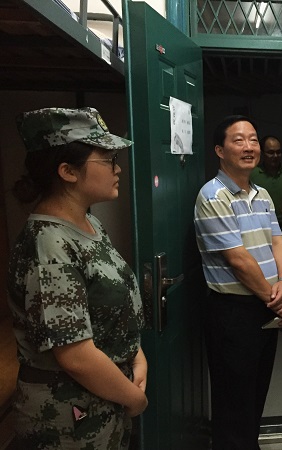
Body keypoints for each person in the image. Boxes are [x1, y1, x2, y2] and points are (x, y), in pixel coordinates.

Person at [8, 107, 148, 449]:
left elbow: (107, 304)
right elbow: (75, 355)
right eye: (109, 160)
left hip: (104, 400)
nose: (117, 169)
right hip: (68, 417)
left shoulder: (89, 223)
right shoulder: (49, 243)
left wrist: (136, 354)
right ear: (67, 171)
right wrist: (135, 399)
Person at [194, 115, 282, 450]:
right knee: (233, 402)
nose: (249, 146)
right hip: (234, 311)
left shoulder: (262, 194)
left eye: (253, 139)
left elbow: (278, 241)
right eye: (238, 140)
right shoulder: (214, 196)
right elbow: (238, 261)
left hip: (264, 305)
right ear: (219, 150)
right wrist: (280, 303)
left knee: (255, 394)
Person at [250, 135, 282, 255]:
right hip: (260, 229)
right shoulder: (252, 174)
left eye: (278, 152)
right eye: (271, 152)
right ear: (262, 153)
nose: (275, 156)